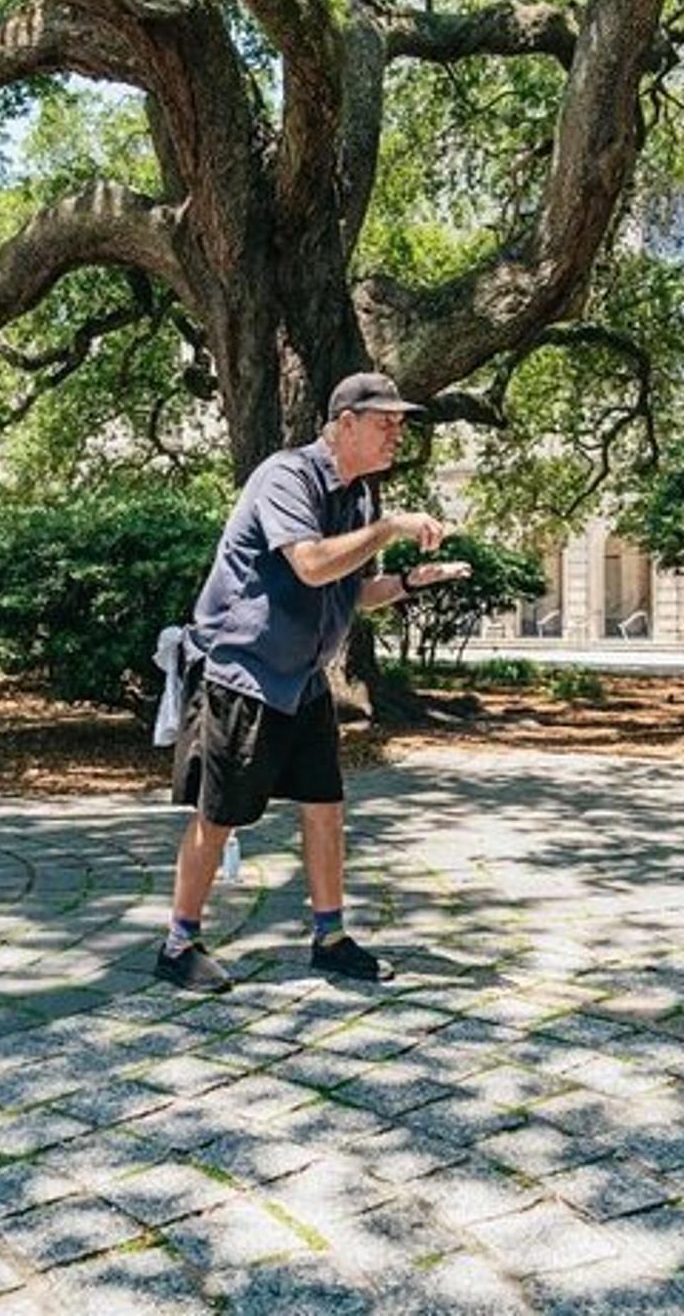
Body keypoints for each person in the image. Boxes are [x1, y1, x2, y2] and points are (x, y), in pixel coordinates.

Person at [158, 371, 470, 994]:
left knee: (326, 806)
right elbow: (309, 565)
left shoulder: (358, 498)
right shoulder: (287, 476)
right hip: (242, 673)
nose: (396, 436)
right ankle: (177, 944)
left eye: (400, 425)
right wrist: (388, 531)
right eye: (385, 424)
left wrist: (410, 583)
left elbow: (350, 591)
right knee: (219, 817)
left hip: (302, 679)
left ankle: (330, 938)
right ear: (345, 424)